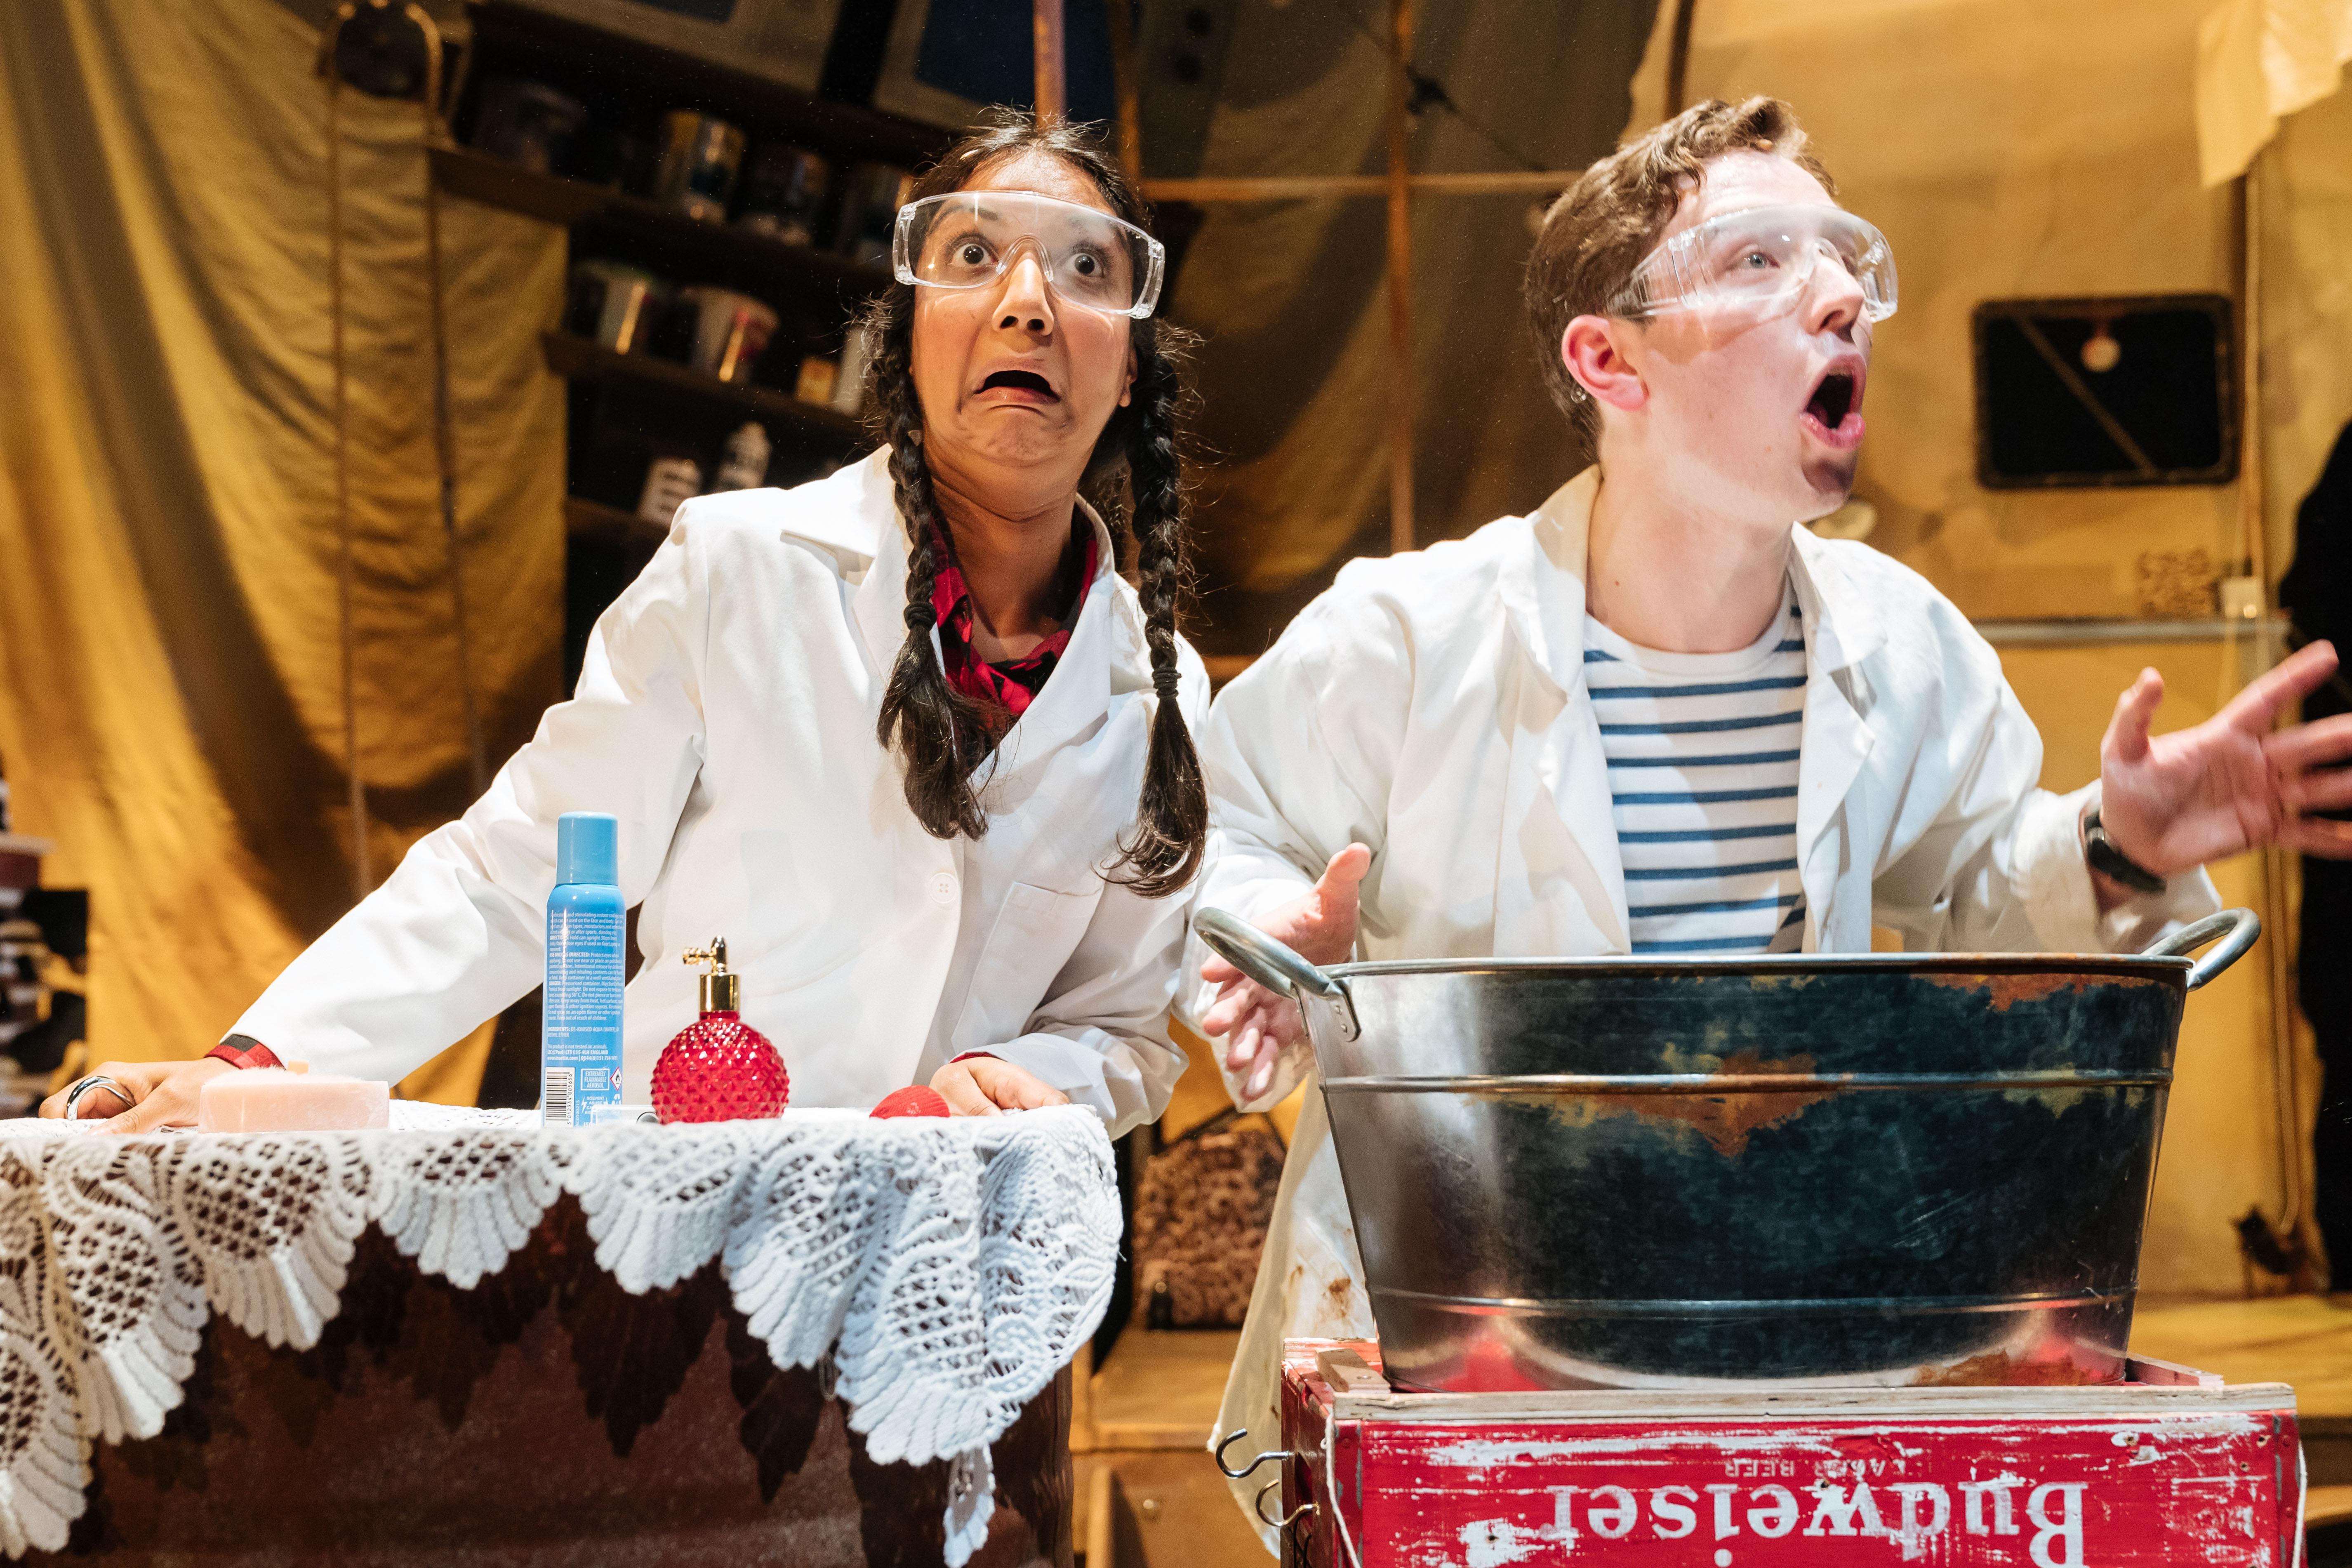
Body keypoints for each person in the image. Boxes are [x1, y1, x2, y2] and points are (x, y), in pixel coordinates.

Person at [1185, 97, 2352, 1545]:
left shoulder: (1902, 644)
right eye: (1756, 261)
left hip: (1792, 1327)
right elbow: (1222, 829)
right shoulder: (1410, 638)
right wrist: (1269, 938)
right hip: (1463, 1361)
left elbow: (1988, 917)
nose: (1843, 295)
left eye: (1846, 257)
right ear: (1609, 359)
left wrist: (2119, 842)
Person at [46, 112, 1209, 1135]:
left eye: (1085, 268)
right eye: (972, 256)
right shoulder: (739, 569)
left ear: (1128, 373)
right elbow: (520, 868)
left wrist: (1016, 1077)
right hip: (683, 1249)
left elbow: (1122, 1027)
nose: (1027, 304)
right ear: (908, 331)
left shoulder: (1159, 694)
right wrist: (258, 1068)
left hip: (954, 1277)